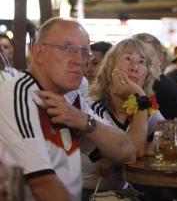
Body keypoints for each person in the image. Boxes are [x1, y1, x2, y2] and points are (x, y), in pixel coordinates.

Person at [0, 17, 135, 201]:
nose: (79, 60)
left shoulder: (71, 97)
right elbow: (42, 185)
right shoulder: (18, 94)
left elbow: (126, 151)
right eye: (67, 49)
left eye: (84, 52)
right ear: (39, 52)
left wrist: (83, 121)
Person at [81, 38, 164, 198]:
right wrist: (140, 97)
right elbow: (132, 152)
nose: (134, 67)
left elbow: (170, 141)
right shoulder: (91, 107)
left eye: (142, 62)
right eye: (128, 59)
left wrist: (140, 149)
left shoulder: (146, 106)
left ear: (147, 73)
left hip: (121, 193)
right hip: (88, 193)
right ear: (110, 66)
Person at [133, 33, 177, 119]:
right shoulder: (149, 84)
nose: (143, 61)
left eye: (148, 55)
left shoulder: (163, 91)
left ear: (160, 60)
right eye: (135, 56)